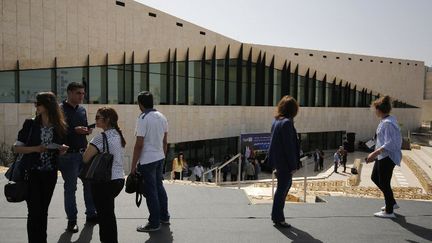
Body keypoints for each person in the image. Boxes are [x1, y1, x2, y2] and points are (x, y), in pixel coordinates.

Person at [14, 92, 69, 243]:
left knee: (43, 211)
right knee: (33, 212)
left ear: (46, 106)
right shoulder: (30, 124)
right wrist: (36, 149)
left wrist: (61, 149)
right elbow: (16, 148)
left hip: (50, 173)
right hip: (31, 173)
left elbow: (59, 148)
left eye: (37, 104)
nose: (35, 106)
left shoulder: (59, 126)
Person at [82, 107, 126, 243]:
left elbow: (85, 157)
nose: (95, 120)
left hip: (104, 181)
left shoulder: (101, 137)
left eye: (97, 118)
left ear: (107, 120)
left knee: (104, 217)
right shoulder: (118, 134)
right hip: (118, 179)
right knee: (109, 215)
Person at [58, 82, 97, 233]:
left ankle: (91, 214)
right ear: (69, 93)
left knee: (89, 185)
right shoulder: (59, 110)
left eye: (83, 93)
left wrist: (87, 131)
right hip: (68, 156)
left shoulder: (82, 109)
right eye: (78, 93)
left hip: (84, 153)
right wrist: (74, 131)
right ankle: (72, 221)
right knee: (70, 188)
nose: (82, 96)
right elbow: (56, 132)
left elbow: (84, 127)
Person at [131, 91, 170, 232]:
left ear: (140, 104)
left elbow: (139, 144)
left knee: (151, 191)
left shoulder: (143, 118)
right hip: (160, 157)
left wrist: (133, 165)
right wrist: (163, 157)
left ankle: (154, 223)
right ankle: (164, 217)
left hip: (147, 160)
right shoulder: (162, 117)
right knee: (159, 188)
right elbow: (165, 142)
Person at [366, 95, 402, 219]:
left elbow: (390, 143)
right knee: (375, 177)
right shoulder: (388, 120)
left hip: (387, 156)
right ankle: (391, 202)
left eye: (375, 109)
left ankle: (389, 211)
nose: (374, 111)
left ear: (379, 109)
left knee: (384, 182)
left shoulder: (388, 123)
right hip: (383, 156)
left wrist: (373, 154)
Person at [268, 95, 300, 228]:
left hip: (279, 161)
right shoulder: (287, 123)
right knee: (282, 190)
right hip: (285, 163)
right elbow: (289, 146)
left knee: (283, 188)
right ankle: (278, 217)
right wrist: (293, 165)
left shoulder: (276, 121)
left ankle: (277, 216)